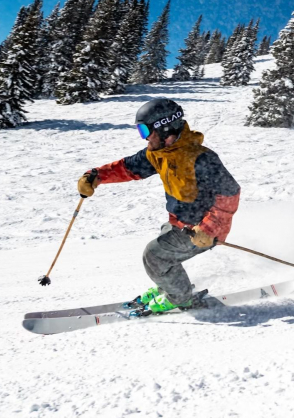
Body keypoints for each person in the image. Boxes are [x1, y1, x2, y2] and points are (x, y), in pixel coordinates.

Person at [77, 98, 240, 313]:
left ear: (165, 129)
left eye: (145, 130)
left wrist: (208, 229)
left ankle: (181, 298)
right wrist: (96, 176)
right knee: (163, 250)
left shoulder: (200, 159)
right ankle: (170, 285)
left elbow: (230, 193)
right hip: (179, 222)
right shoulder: (159, 154)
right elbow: (128, 168)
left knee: (155, 255)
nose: (144, 138)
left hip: (203, 230)